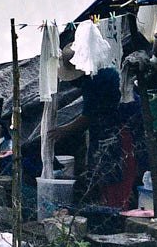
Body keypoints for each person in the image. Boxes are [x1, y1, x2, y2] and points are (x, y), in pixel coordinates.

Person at [52, 44, 143, 209]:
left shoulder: (94, 82)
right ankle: (113, 207)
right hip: (117, 128)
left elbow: (87, 117)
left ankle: (116, 211)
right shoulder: (102, 71)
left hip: (120, 130)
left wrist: (63, 130)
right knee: (113, 174)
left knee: (115, 174)